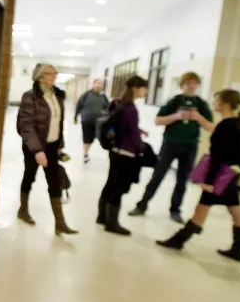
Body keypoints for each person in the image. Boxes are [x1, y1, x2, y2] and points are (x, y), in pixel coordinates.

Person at [156, 89, 240, 261]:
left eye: (216, 100)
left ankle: (180, 240)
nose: (214, 103)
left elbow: (218, 157)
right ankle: (239, 247)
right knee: (234, 207)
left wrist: (208, 181)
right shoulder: (237, 123)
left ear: (224, 103)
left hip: (220, 176)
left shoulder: (225, 126)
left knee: (202, 208)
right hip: (230, 175)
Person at [128, 72, 213, 223]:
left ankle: (175, 209)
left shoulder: (201, 104)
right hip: (170, 144)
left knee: (182, 180)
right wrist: (176, 116)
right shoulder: (174, 101)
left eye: (194, 83)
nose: (191, 86)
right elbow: (158, 121)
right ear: (182, 85)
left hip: (190, 146)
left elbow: (210, 126)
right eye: (188, 83)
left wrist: (198, 117)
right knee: (157, 176)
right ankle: (142, 205)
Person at [16, 63, 78, 234]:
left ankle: (60, 222)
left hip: (52, 146)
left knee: (55, 181)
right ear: (39, 77)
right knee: (29, 176)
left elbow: (57, 123)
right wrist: (37, 150)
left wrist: (60, 146)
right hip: (33, 146)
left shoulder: (57, 96)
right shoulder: (30, 97)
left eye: (54, 74)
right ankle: (23, 210)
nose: (53, 77)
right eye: (49, 74)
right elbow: (26, 125)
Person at [97, 76, 149, 236]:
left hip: (115, 151)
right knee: (118, 188)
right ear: (136, 88)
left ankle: (102, 217)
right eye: (144, 88)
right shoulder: (131, 109)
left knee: (110, 183)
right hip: (126, 153)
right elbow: (132, 134)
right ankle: (112, 223)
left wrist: (138, 131)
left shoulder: (120, 104)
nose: (145, 91)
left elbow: (126, 127)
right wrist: (142, 147)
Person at [74, 78, 109, 163]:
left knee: (92, 139)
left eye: (101, 84)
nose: (99, 85)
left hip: (98, 122)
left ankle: (86, 151)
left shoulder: (103, 97)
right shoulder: (86, 95)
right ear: (93, 84)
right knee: (87, 138)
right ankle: (85, 154)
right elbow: (79, 105)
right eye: (98, 83)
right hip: (86, 120)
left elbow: (108, 108)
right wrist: (75, 117)